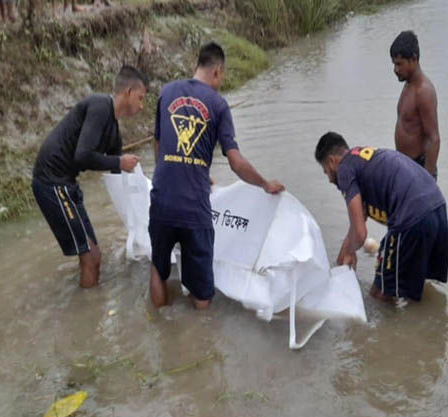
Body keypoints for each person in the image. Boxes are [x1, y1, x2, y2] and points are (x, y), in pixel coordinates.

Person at [149, 42, 284, 310]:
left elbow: (159, 146)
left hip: (162, 200)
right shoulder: (218, 105)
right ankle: (201, 345)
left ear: (197, 65)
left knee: (158, 268)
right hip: (194, 208)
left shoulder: (167, 92)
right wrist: (265, 184)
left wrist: (181, 170)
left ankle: (160, 331)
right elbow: (235, 162)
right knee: (202, 292)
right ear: (218, 71)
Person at [32, 65, 147, 288]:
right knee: (92, 257)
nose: (142, 106)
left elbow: (119, 176)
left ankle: (87, 300)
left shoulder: (113, 130)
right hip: (52, 182)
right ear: (129, 91)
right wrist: (119, 162)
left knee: (93, 252)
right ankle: (87, 313)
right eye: (141, 98)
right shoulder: (99, 107)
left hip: (66, 184)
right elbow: (83, 155)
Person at [314, 131, 448, 302]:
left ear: (332, 160)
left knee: (379, 295)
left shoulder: (345, 169)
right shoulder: (361, 161)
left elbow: (360, 234)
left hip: (411, 215)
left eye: (326, 171)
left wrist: (350, 251)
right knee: (418, 287)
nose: (329, 179)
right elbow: (359, 219)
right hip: (437, 206)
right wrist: (344, 253)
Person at [391, 30, 441, 180]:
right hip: (405, 165)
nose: (395, 70)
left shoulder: (423, 92)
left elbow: (434, 139)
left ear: (413, 58)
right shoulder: (408, 84)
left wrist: (425, 181)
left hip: (419, 168)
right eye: (394, 64)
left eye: (400, 64)